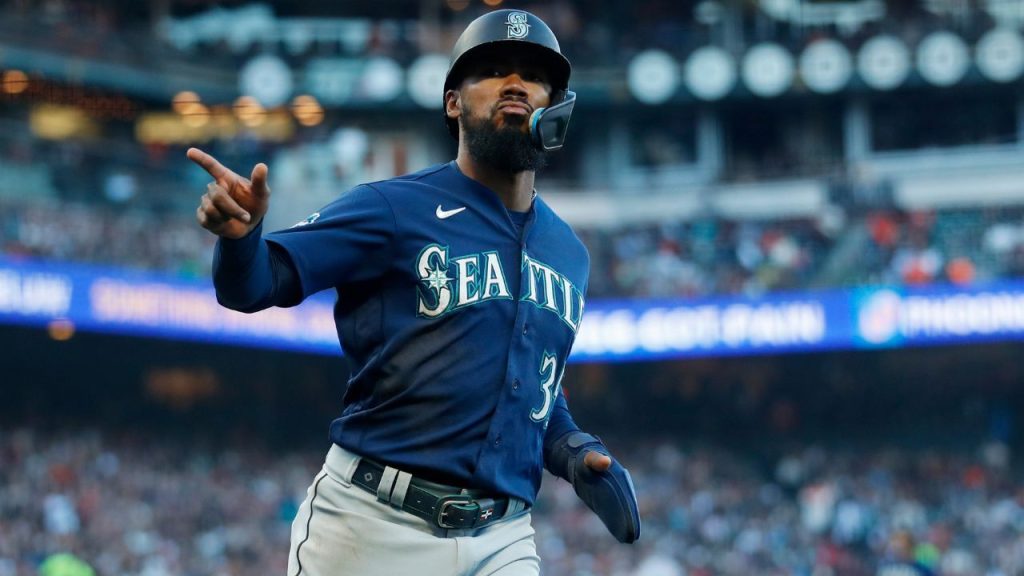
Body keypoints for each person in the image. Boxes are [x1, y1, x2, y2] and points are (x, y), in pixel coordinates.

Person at [188, 9, 640, 575]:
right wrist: (241, 239)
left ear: (558, 105)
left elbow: (530, 389)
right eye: (493, 70)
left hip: (502, 537)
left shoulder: (568, 252)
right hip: (374, 524)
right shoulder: (392, 207)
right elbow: (257, 284)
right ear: (454, 102)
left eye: (533, 75)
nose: (516, 83)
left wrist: (571, 450)